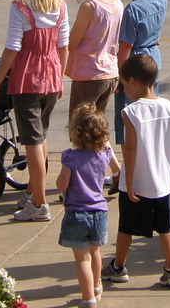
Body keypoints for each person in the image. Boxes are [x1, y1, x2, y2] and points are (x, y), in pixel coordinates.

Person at [0, 0, 69, 223]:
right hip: (51, 76)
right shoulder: (60, 4)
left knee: (31, 140)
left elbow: (11, 49)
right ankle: (35, 190)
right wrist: (61, 77)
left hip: (27, 79)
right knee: (42, 136)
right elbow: (63, 46)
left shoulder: (20, 6)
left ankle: (39, 203)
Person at [102, 53, 170, 288]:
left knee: (127, 225)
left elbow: (129, 149)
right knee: (166, 226)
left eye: (124, 83)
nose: (123, 88)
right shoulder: (167, 106)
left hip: (137, 182)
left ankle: (118, 266)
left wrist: (127, 179)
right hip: (162, 182)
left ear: (134, 81)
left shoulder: (131, 112)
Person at [57, 103, 119, 308]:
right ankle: (96, 286)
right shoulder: (103, 155)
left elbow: (62, 184)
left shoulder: (71, 158)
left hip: (77, 213)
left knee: (82, 259)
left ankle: (88, 299)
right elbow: (117, 169)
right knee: (95, 253)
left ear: (75, 133)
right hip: (99, 211)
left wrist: (61, 185)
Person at [113, 0, 167, 146]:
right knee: (151, 103)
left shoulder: (133, 9)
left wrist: (120, 76)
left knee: (131, 111)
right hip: (154, 57)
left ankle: (134, 149)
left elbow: (125, 47)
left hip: (136, 61)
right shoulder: (161, 0)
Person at [66, 0, 122, 122]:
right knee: (97, 126)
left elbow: (72, 43)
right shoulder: (117, 3)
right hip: (109, 71)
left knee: (80, 127)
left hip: (89, 74)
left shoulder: (90, 7)